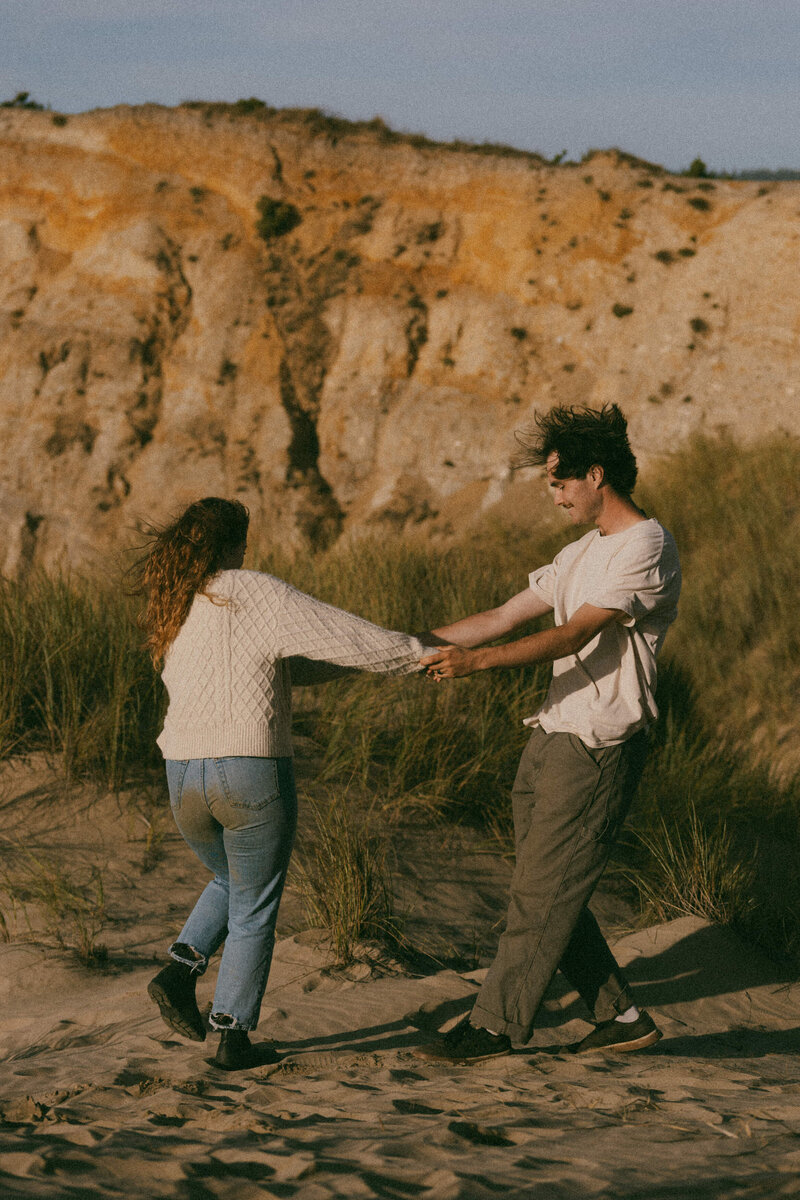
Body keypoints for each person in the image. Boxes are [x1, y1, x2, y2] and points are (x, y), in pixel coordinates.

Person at [419, 403, 681, 1063]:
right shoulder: (580, 551)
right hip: (552, 733)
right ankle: (619, 1016)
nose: (555, 493)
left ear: (597, 475)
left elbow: (575, 633)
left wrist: (473, 664)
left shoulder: (646, 544)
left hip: (599, 742)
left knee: (542, 890)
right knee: (545, 885)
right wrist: (408, 646)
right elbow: (506, 614)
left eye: (561, 481)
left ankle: (495, 1026)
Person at [133, 497, 432, 1071]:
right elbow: (349, 636)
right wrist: (414, 655)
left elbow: (285, 663)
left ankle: (179, 972)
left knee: (230, 877)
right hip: (249, 768)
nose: (247, 554)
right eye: (242, 544)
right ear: (230, 547)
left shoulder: (174, 609)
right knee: (255, 902)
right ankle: (231, 1036)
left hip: (181, 776)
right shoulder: (253, 589)